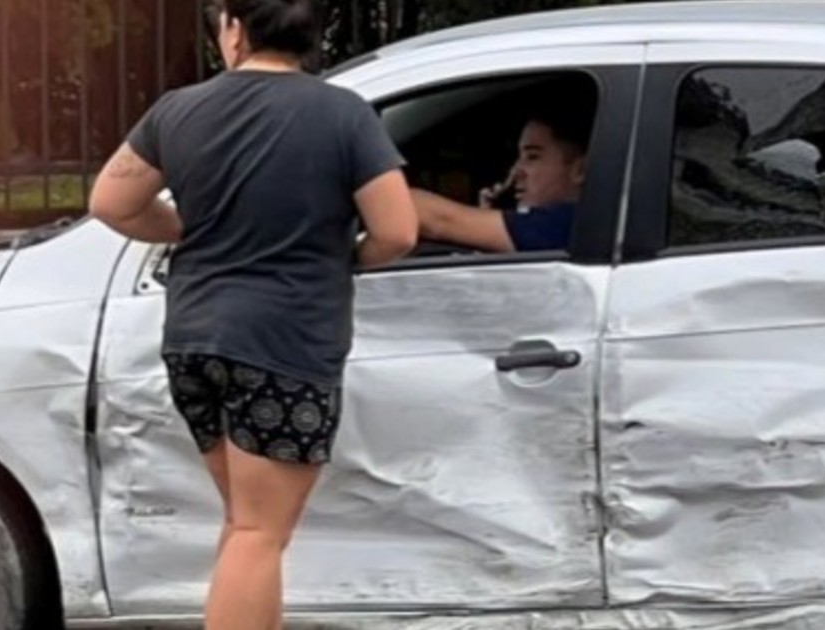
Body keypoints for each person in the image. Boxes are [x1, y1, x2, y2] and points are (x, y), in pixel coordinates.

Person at [87, 0, 418, 628]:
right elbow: (398, 231)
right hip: (285, 345)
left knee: (248, 526)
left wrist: (187, 228)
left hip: (193, 339)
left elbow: (111, 201)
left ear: (235, 29)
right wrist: (345, 258)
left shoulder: (177, 110)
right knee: (259, 533)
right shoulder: (344, 113)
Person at [409, 104, 591, 253]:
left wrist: (392, 195)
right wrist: (488, 215)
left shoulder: (568, 224)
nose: (515, 172)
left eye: (532, 157)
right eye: (518, 158)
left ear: (580, 170)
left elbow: (439, 220)